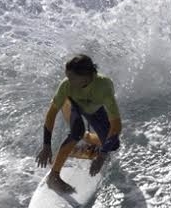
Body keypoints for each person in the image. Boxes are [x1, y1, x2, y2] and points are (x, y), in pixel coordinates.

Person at [36, 54, 122, 193]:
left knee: (113, 144)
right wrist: (46, 145)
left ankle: (87, 139)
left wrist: (102, 155)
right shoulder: (66, 86)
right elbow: (51, 114)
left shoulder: (104, 87)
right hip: (71, 103)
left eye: (72, 77)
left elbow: (116, 126)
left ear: (86, 77)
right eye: (67, 76)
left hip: (93, 108)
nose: (68, 81)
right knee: (76, 131)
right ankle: (54, 176)